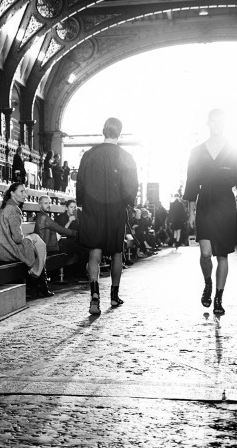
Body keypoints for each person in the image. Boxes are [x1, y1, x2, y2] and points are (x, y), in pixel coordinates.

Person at [184, 108, 237, 315]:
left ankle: (218, 297)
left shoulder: (236, 150)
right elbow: (191, 186)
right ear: (208, 123)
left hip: (225, 205)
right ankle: (208, 283)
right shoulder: (196, 152)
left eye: (220, 121)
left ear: (225, 124)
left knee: (222, 255)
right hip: (204, 203)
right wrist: (191, 212)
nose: (216, 124)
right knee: (205, 253)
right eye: (213, 121)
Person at [76, 117, 139, 314]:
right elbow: (131, 186)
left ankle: (94, 295)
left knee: (95, 252)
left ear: (103, 131)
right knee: (117, 252)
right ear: (120, 133)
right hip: (116, 209)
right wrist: (130, 204)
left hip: (93, 208)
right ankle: (114, 296)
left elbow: (81, 182)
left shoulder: (89, 155)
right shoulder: (126, 156)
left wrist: (81, 203)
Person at [0, 182, 48, 287]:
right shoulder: (13, 210)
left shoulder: (6, 207)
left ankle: (39, 276)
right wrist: (28, 238)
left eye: (25, 192)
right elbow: (17, 238)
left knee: (34, 240)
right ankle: (37, 274)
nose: (25, 195)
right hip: (7, 251)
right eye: (21, 191)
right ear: (12, 193)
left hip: (0, 250)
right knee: (37, 240)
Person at [32, 196, 78, 295]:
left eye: (49, 203)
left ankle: (42, 285)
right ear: (39, 205)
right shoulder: (45, 218)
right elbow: (61, 229)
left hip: (44, 246)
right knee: (71, 246)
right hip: (46, 246)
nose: (48, 205)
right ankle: (43, 286)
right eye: (45, 203)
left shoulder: (41, 216)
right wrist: (76, 234)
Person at [55, 199, 88, 280]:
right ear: (66, 208)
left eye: (75, 207)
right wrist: (69, 221)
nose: (73, 209)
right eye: (71, 207)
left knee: (87, 246)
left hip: (74, 241)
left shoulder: (77, 217)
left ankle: (80, 273)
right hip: (63, 241)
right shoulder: (61, 217)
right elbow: (61, 232)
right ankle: (81, 274)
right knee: (83, 249)